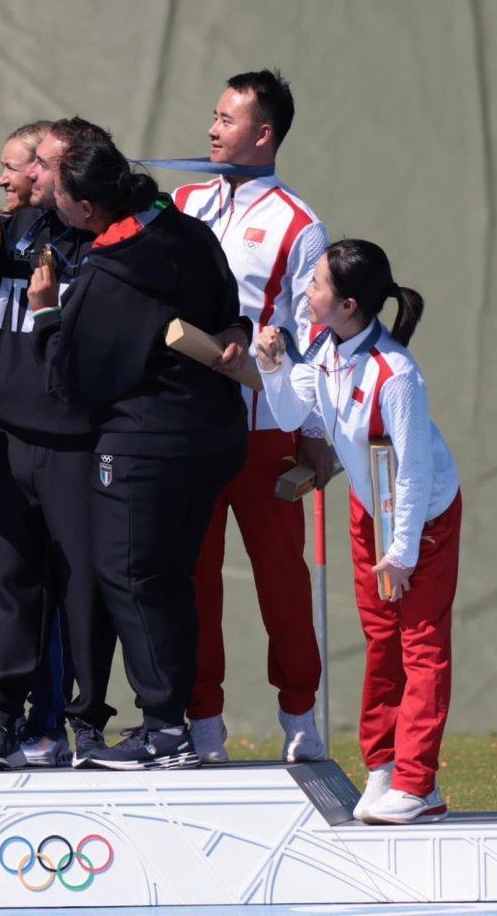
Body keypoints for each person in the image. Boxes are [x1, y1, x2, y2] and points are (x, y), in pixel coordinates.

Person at [27, 119, 250, 771]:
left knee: (128, 575)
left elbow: (69, 379)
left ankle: (163, 731)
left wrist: (45, 313)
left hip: (144, 445)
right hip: (213, 434)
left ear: (88, 206)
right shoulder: (187, 230)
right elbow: (230, 308)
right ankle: (170, 722)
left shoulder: (108, 275)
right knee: (167, 579)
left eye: (60, 191)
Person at [254, 239, 461, 824]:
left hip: (422, 515)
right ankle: (385, 766)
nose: (306, 291)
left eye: (315, 284)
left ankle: (420, 785)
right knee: (381, 640)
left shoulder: (396, 373)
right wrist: (273, 368)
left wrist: (402, 551)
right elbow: (295, 416)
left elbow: (415, 467)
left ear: (347, 304)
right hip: (373, 507)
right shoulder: (324, 347)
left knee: (420, 644)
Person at [0, 120, 117, 771]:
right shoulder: (11, 232)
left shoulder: (102, 238)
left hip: (77, 440)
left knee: (83, 589)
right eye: (26, 163)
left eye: (36, 163)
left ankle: (86, 726)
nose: (22, 175)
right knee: (10, 586)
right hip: (12, 443)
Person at [173, 69, 329, 764]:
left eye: (226, 120)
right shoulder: (180, 204)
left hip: (266, 428)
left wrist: (318, 435)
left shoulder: (298, 223)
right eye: (213, 116)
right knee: (193, 580)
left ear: (262, 134)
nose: (211, 129)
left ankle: (300, 718)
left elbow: (315, 333)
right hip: (187, 424)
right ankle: (203, 725)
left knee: (281, 581)